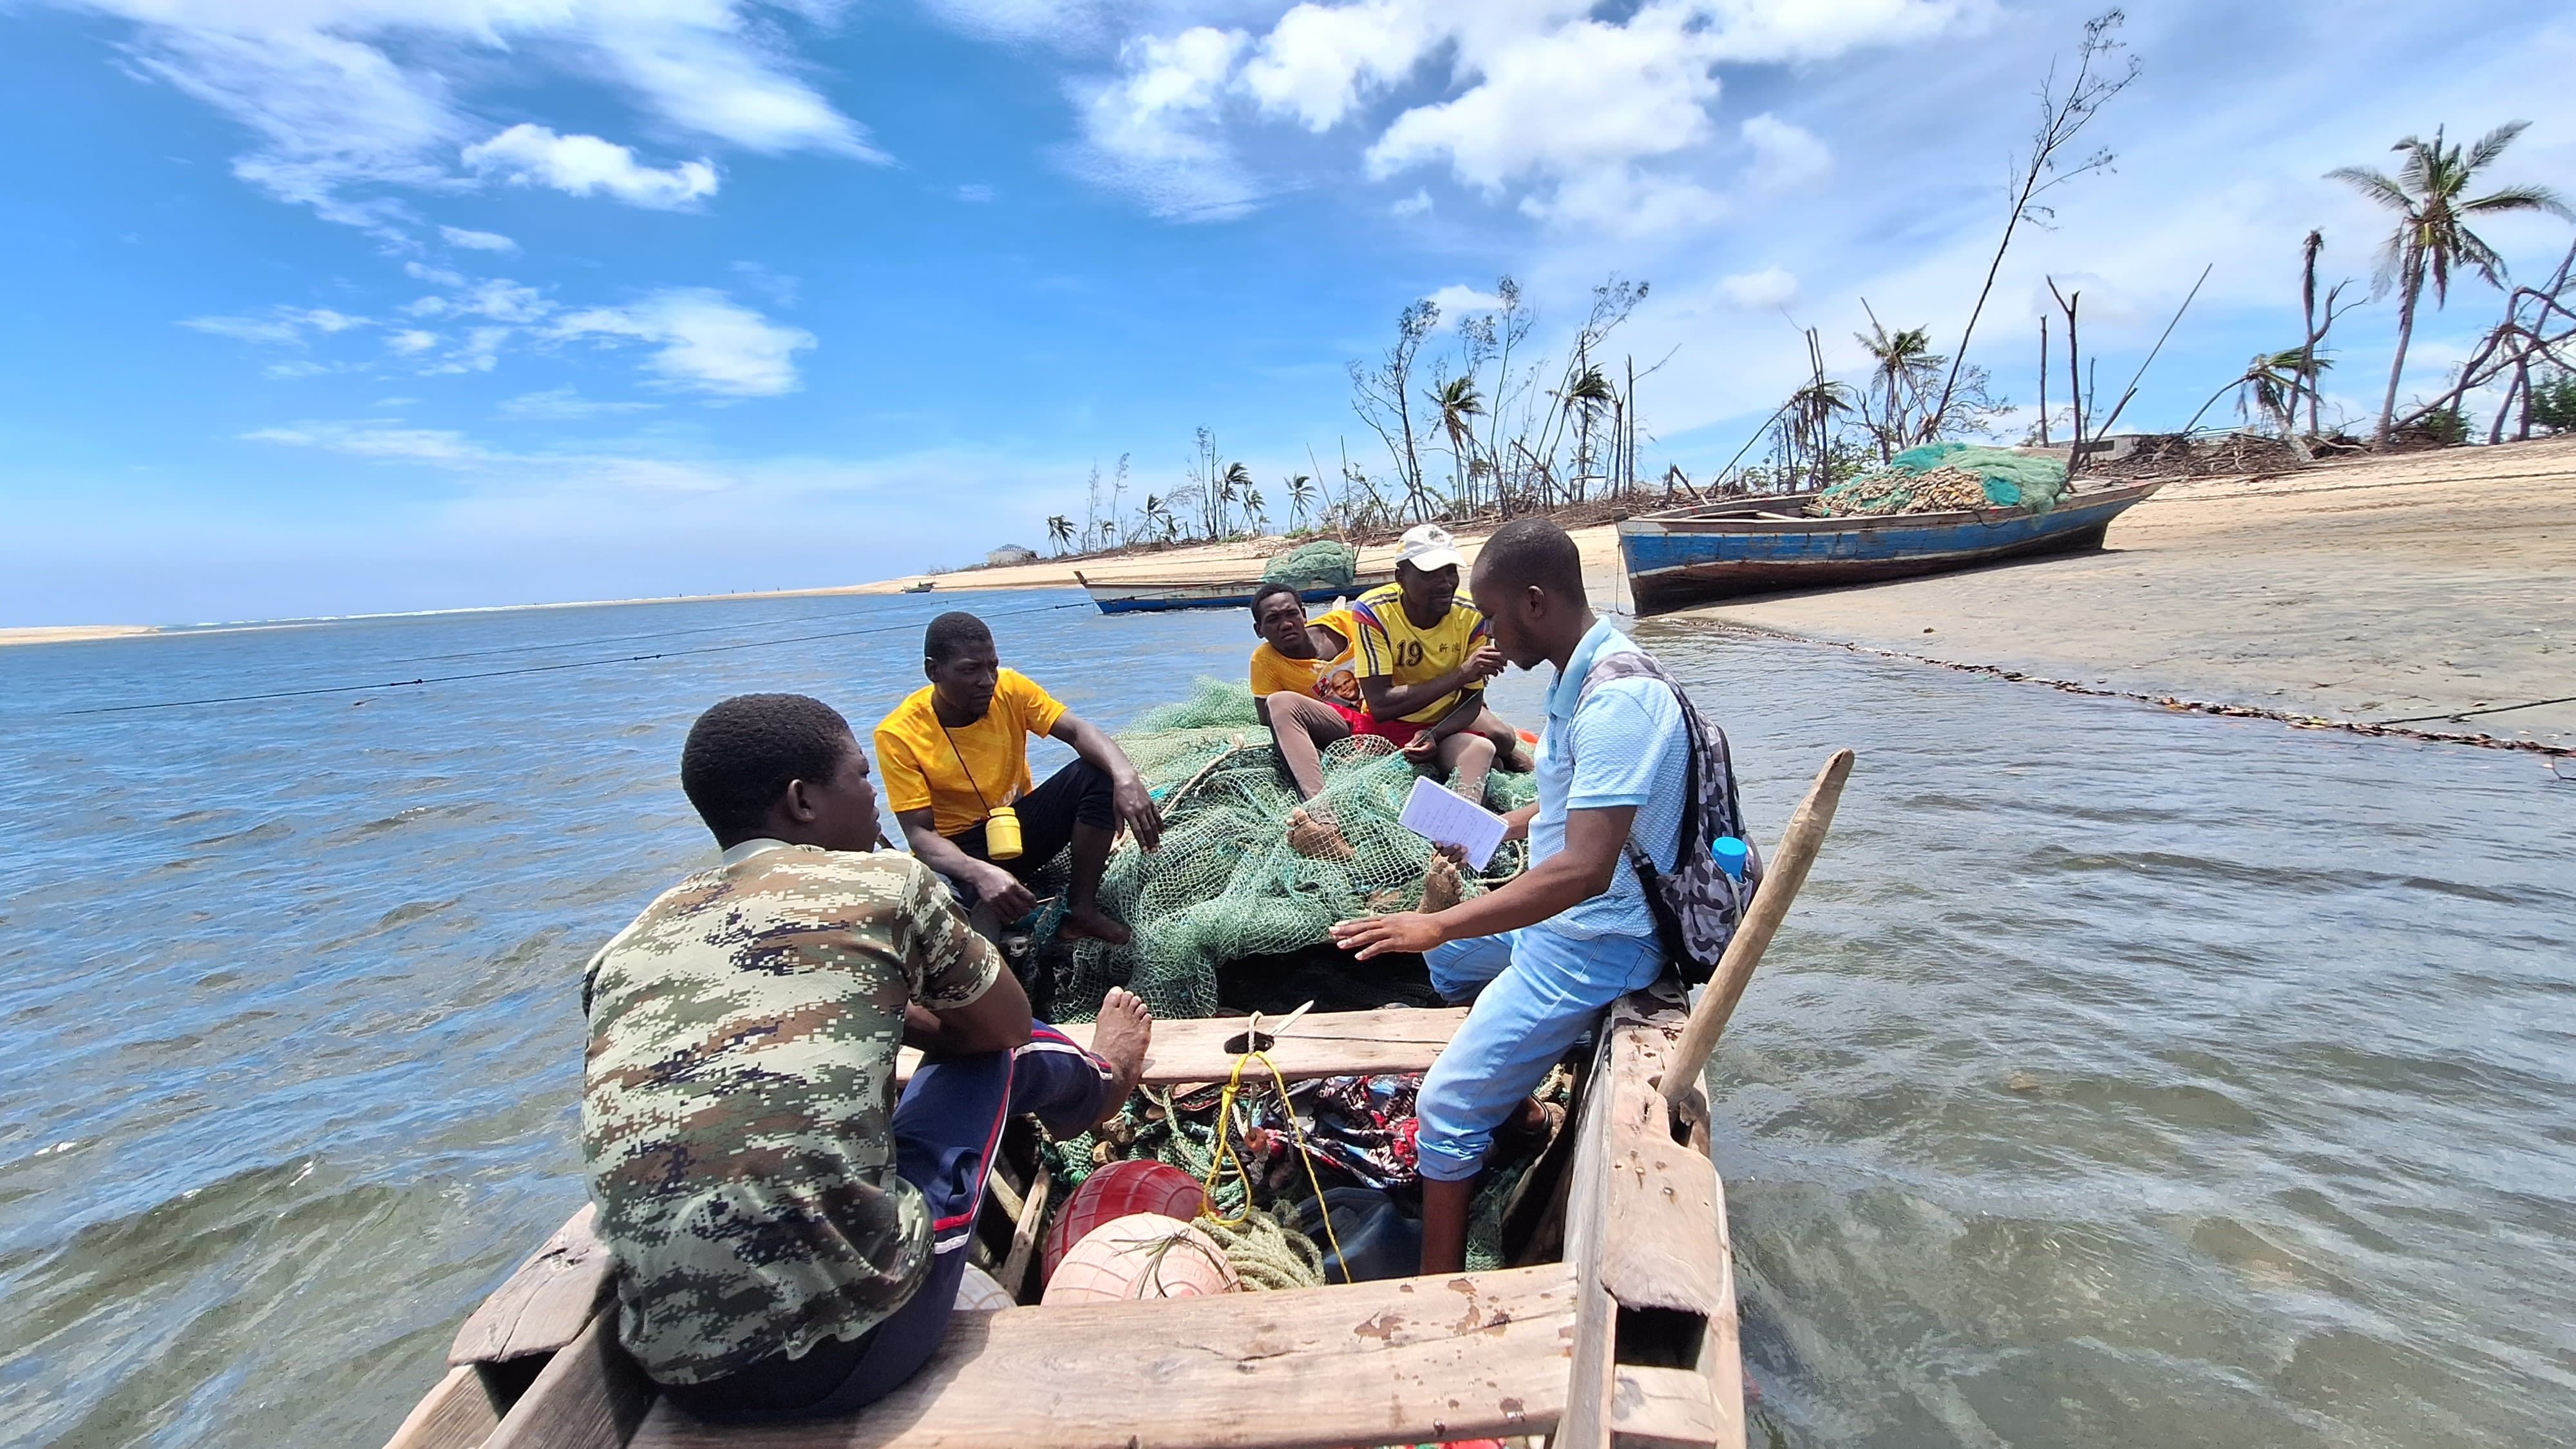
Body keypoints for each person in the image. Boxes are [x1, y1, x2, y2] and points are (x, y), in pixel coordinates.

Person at [583, 692, 1153, 1422]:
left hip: (679, 1374)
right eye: (859, 777)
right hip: (856, 1349)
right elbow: (1005, 1026)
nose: (874, 795)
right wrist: (907, 1010)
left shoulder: (626, 945)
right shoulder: (884, 882)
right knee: (998, 1060)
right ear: (802, 801)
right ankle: (1102, 1085)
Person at [1329, 518, 1689, 1275]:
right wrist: (1501, 826)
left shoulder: (1620, 701)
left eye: (1489, 616)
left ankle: (1438, 1288)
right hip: (1564, 918)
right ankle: (1523, 1106)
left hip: (1598, 938)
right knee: (1452, 963)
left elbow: (1584, 871)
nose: (1482, 634)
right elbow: (1571, 807)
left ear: (1533, 602)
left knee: (1445, 1107)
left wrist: (1436, 923)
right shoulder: (1575, 675)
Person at [875, 612, 1162, 945]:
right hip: (960, 851)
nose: (987, 680)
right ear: (933, 671)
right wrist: (979, 872)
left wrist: (1126, 777)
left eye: (992, 666)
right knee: (944, 915)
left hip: (1016, 828)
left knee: (1097, 772)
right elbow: (920, 835)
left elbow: (1076, 730)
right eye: (970, 669)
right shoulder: (897, 734)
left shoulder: (1010, 688)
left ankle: (1081, 910)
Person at [1345, 524, 1529, 809]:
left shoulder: (1471, 614)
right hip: (1392, 724)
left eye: (1450, 572)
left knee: (1499, 740)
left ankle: (1459, 837)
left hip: (1445, 719)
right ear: (1401, 578)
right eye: (1431, 575)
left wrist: (1435, 733)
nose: (1445, 584)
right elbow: (1381, 705)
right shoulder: (1373, 610)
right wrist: (1462, 674)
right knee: (1493, 755)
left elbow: (1471, 700)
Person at [1247, 581, 1367, 801]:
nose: (1285, 625)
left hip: (1386, 708)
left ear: (1304, 615)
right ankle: (1318, 807)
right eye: (1273, 620)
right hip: (1344, 725)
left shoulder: (1347, 624)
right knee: (1279, 703)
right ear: (1259, 630)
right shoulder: (1265, 660)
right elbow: (1267, 718)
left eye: (1291, 614)